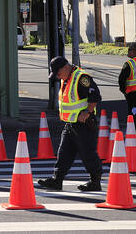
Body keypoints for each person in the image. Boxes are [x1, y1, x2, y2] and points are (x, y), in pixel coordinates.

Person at [37, 56, 103, 192]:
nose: (57, 77)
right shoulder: (66, 78)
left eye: (58, 73)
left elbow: (95, 96)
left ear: (66, 67)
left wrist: (87, 113)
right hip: (71, 124)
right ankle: (57, 180)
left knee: (87, 153)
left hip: (83, 124)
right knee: (64, 153)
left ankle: (95, 181)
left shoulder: (81, 78)